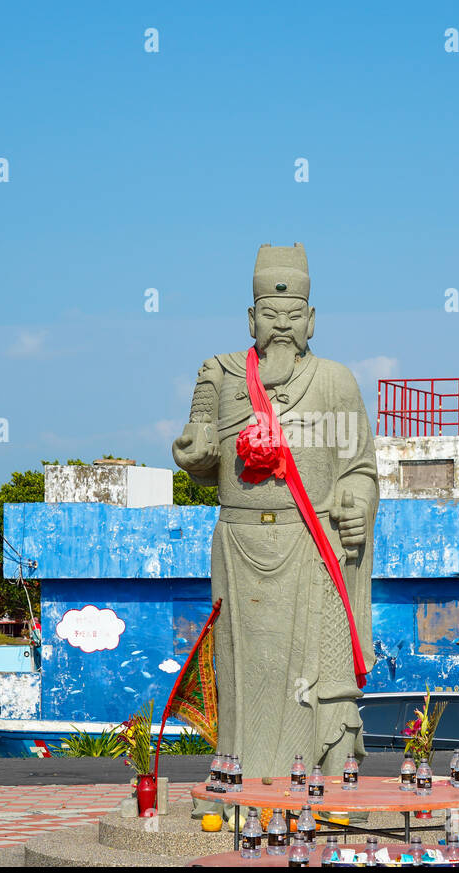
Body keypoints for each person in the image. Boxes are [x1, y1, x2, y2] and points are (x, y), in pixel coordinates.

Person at [172, 242, 378, 777]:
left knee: (314, 672)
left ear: (311, 320)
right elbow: (201, 456)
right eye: (269, 314)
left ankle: (310, 777)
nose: (281, 325)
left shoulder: (335, 382)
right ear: (250, 319)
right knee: (241, 669)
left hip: (310, 545)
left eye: (292, 316)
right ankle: (238, 771)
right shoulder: (220, 376)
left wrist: (357, 502)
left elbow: (359, 469)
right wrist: (194, 456)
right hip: (238, 547)